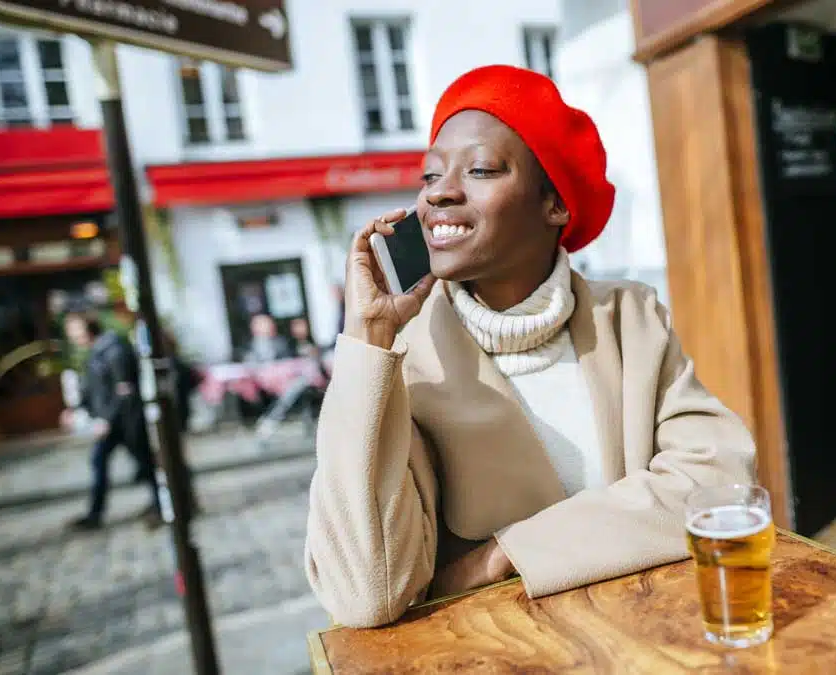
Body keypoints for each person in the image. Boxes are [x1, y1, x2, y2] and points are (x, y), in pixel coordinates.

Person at [305, 65, 756, 628]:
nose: (440, 192)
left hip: (640, 641)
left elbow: (720, 483)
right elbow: (364, 595)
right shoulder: (405, 359)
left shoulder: (629, 318)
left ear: (556, 206)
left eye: (481, 169)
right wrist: (367, 338)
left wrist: (506, 554)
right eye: (429, 176)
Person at [60, 313, 161, 530]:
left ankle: (164, 504)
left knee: (146, 464)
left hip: (126, 422)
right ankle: (95, 514)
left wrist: (107, 420)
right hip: (110, 424)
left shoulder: (114, 350)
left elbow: (124, 390)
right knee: (100, 462)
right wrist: (75, 409)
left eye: (75, 330)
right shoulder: (95, 353)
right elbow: (93, 389)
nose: (72, 336)